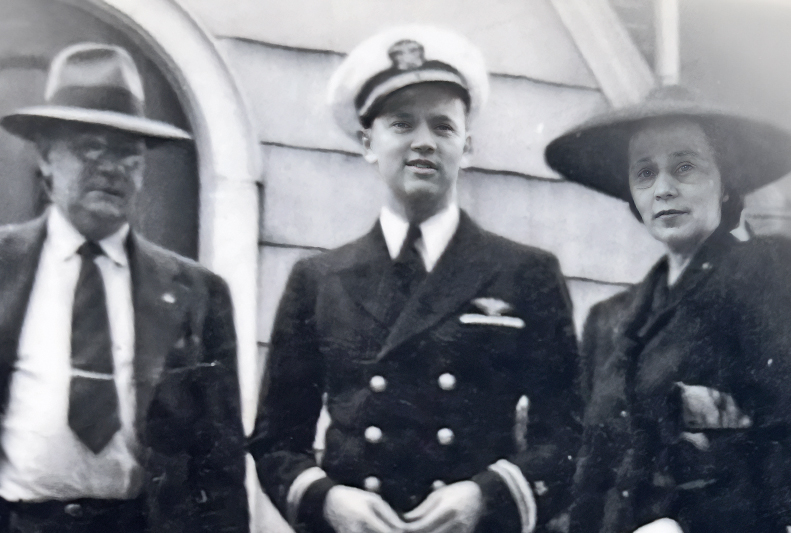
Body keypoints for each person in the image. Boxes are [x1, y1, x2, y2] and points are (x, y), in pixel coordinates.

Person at [250, 25, 582, 533]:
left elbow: (567, 436)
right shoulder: (319, 280)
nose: (423, 142)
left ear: (467, 147)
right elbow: (275, 442)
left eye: (442, 127)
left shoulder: (525, 273)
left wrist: (486, 495)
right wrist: (329, 501)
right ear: (368, 142)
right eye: (402, 125)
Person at [0, 43, 249, 532]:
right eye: (90, 147)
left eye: (128, 155)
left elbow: (220, 467)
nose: (110, 167)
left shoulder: (198, 293)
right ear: (47, 157)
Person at [545, 85, 791, 533]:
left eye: (685, 167)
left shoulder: (765, 273)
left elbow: (790, 435)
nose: (663, 189)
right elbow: (588, 473)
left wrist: (690, 526)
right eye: (644, 173)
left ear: (725, 184)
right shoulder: (609, 320)